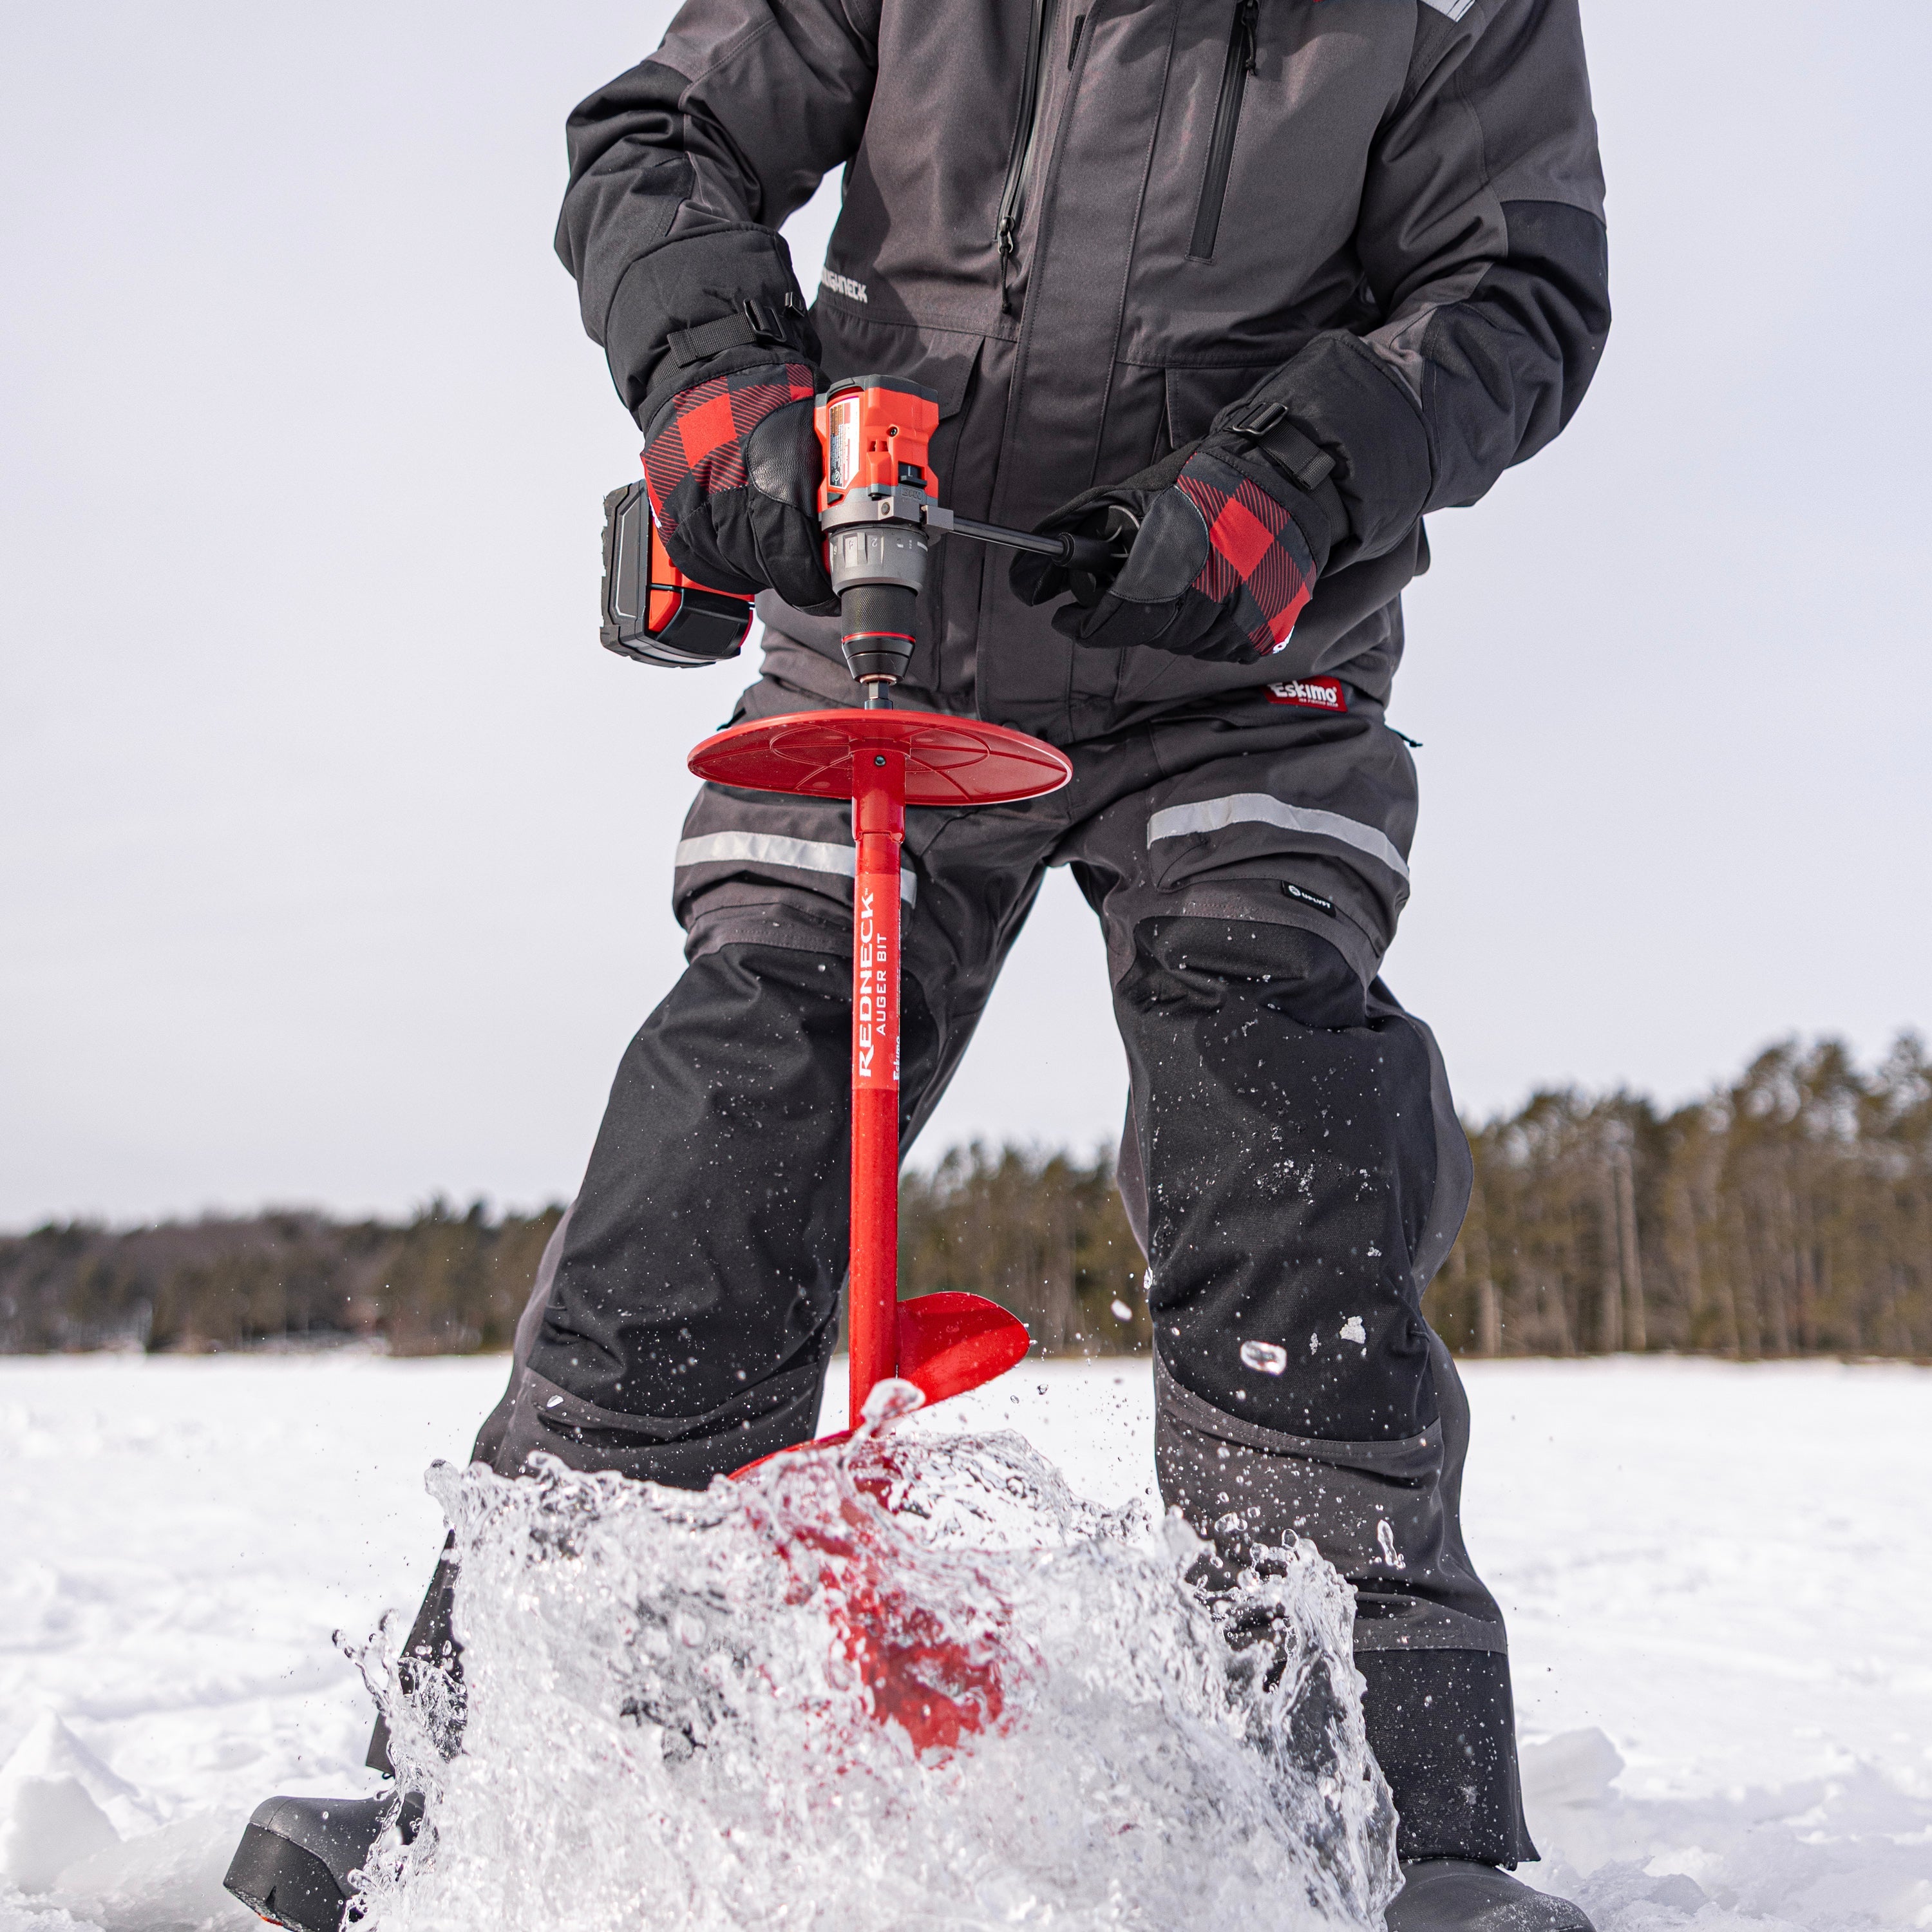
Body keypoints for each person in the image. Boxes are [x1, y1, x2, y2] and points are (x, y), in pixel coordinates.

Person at [225, 1, 1609, 1927]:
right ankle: (495, 1764)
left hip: (1241, 663)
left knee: (1287, 1145)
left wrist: (1298, 470)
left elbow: (1518, 280)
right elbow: (662, 141)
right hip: (881, 632)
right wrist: (717, 376)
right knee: (717, 1149)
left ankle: (1393, 1816)